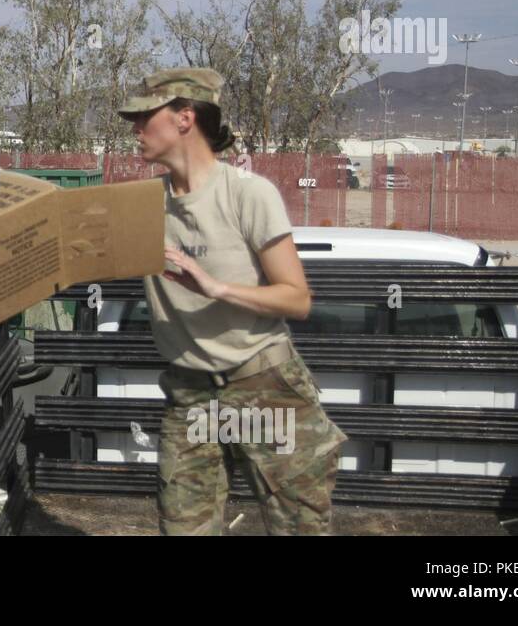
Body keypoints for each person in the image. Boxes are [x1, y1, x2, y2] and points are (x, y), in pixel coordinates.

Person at [116, 67, 347, 536]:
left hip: (263, 381)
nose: (135, 130)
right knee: (184, 528)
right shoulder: (138, 206)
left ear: (184, 118)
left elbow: (297, 299)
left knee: (298, 527)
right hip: (191, 394)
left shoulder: (247, 193)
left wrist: (217, 288)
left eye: (145, 117)